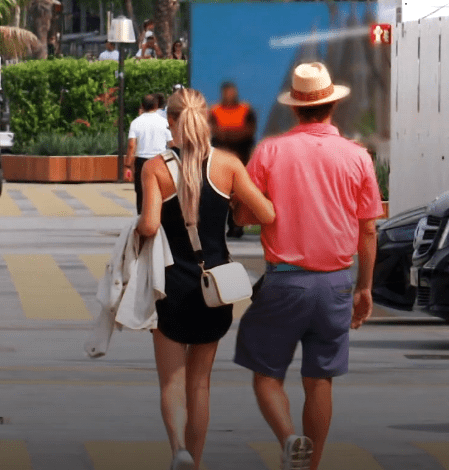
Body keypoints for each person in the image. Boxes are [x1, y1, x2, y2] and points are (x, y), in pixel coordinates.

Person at [233, 62, 384, 470]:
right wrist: (364, 287)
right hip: (335, 284)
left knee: (266, 376)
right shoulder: (358, 157)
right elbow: (368, 230)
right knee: (320, 380)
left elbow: (244, 215)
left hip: (284, 283)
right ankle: (310, 465)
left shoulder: (269, 152)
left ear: (295, 108)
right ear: (332, 106)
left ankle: (288, 439)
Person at [136, 88, 275, 470]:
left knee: (171, 382)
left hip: (170, 287)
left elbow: (149, 225)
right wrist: (237, 214)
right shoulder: (227, 165)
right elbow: (266, 213)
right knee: (200, 384)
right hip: (215, 287)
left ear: (171, 121)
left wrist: (136, 230)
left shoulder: (155, 168)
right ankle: (194, 463)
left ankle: (178, 449)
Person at [209, 82, 257, 238]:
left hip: (241, 156)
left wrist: (227, 134)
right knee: (221, 191)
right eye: (226, 92)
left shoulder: (246, 110)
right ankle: (220, 226)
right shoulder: (215, 111)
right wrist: (233, 134)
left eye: (231, 92)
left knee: (239, 192)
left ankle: (237, 226)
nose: (229, 95)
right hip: (221, 157)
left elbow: (249, 131)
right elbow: (214, 132)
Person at [125, 94, 174, 214]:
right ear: (156, 106)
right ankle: (158, 217)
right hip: (160, 160)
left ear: (142, 106)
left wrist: (127, 166)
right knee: (161, 190)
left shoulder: (136, 122)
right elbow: (172, 144)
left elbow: (131, 146)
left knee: (141, 191)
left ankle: (142, 217)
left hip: (142, 162)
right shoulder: (164, 122)